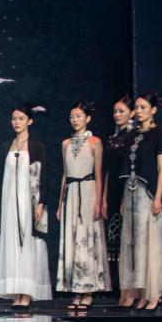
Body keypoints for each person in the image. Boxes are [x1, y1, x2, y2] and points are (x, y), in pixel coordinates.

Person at [0, 104, 52, 310]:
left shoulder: (37, 147)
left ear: (30, 121)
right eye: (14, 118)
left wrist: (41, 202)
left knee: (28, 245)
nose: (17, 122)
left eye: (21, 118)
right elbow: (0, 178)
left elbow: (44, 176)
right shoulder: (5, 147)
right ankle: (16, 292)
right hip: (9, 203)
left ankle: (26, 292)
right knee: (11, 245)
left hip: (29, 202)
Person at [55, 101, 109, 309]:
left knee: (86, 239)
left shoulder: (95, 142)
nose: (75, 120)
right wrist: (60, 203)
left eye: (78, 116)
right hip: (71, 192)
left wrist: (99, 201)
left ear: (88, 118)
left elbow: (99, 173)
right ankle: (75, 289)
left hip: (88, 191)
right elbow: (64, 174)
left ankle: (88, 290)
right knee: (72, 239)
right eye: (72, 116)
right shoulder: (66, 144)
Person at [119, 93, 162, 311]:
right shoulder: (132, 134)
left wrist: (158, 197)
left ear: (153, 110)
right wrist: (124, 199)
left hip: (147, 194)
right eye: (137, 107)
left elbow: (161, 169)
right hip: (131, 192)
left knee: (149, 242)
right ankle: (137, 291)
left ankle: (153, 293)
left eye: (143, 107)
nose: (139, 111)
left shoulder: (159, 134)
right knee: (132, 244)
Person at [102, 95, 136, 304]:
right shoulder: (113, 138)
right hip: (113, 191)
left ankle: (130, 290)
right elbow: (108, 169)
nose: (117, 115)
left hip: (127, 190)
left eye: (121, 111)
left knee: (128, 243)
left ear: (132, 113)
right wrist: (104, 197)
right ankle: (121, 288)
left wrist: (125, 197)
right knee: (115, 242)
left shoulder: (134, 137)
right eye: (115, 111)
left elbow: (130, 170)